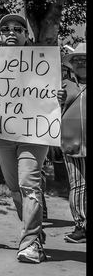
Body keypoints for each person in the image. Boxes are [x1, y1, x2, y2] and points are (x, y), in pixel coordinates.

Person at [0, 13, 49, 263]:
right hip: (2, 134)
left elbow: (53, 93)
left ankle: (30, 243)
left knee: (29, 184)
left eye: (18, 29)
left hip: (33, 133)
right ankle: (33, 230)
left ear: (27, 35)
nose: (11, 32)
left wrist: (56, 96)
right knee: (16, 189)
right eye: (5, 29)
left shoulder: (42, 62)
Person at [58, 43, 86, 243]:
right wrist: (56, 100)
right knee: (78, 185)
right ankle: (81, 225)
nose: (81, 63)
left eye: (85, 59)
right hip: (71, 141)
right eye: (77, 60)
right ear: (72, 64)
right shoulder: (63, 85)